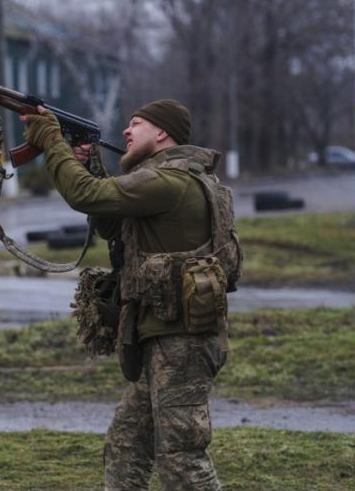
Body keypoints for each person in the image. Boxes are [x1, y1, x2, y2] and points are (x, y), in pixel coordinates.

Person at [22, 100, 237, 490]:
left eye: (136, 124)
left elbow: (85, 196)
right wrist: (89, 165)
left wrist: (51, 139)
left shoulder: (167, 182)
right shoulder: (165, 180)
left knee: (182, 461)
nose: (125, 131)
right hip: (165, 336)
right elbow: (111, 224)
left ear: (161, 133)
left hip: (181, 343)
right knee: (126, 445)